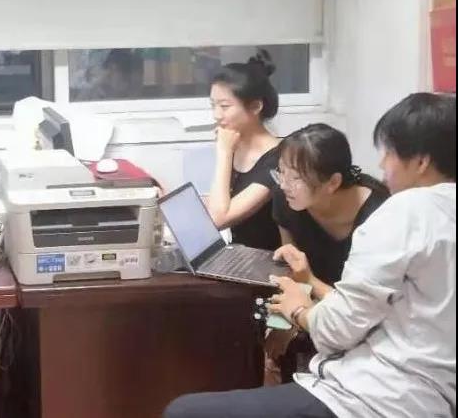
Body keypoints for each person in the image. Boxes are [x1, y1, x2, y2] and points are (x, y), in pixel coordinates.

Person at [164, 92, 456, 418]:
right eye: (281, 174)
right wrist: (286, 321)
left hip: (375, 387)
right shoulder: (289, 204)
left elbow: (339, 325)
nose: (382, 164)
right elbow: (293, 278)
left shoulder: (394, 212)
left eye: (388, 153)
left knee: (184, 411)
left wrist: (299, 311)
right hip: (396, 371)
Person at [264, 123, 389, 384]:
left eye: (295, 178)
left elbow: (363, 312)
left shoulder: (380, 218)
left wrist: (307, 285)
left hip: (364, 326)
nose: (284, 185)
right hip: (311, 309)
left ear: (333, 182)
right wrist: (282, 326)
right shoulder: (287, 201)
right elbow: (290, 273)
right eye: (281, 173)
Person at [207, 49, 282, 251]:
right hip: (239, 254)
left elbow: (217, 219)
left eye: (224, 106)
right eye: (213, 105)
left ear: (256, 107)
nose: (216, 115)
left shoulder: (279, 159)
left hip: (268, 260)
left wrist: (223, 152)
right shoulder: (235, 145)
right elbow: (217, 204)